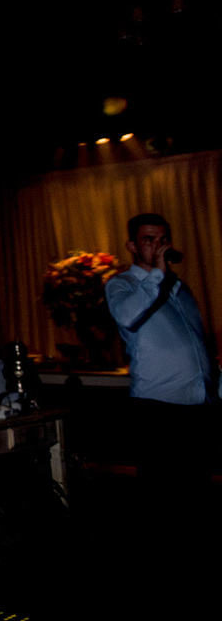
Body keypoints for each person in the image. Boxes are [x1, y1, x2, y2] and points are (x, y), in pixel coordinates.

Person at [105, 213, 216, 505]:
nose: (158, 246)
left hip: (198, 408)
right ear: (132, 246)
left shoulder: (180, 288)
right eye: (149, 240)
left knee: (199, 492)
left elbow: (197, 345)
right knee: (163, 498)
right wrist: (156, 274)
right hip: (157, 410)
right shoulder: (122, 284)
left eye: (163, 239)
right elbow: (128, 316)